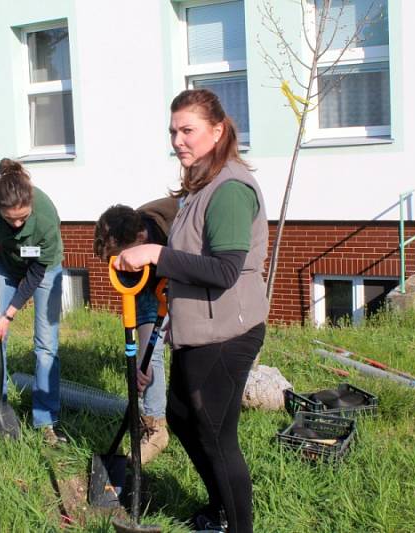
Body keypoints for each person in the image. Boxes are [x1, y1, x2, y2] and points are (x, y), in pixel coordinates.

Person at [114, 89, 269, 533]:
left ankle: (236, 524)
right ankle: (220, 507)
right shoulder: (200, 185)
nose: (178, 140)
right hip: (198, 327)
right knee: (182, 418)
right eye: (173, 131)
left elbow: (223, 270)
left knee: (218, 437)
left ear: (217, 131)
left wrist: (154, 255)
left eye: (188, 130)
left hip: (227, 332)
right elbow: (190, 263)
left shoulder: (230, 190)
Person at [0, 158, 65, 445]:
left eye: (23, 217)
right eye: (11, 219)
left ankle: (45, 420)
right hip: (6, 267)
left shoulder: (46, 218)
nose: (18, 223)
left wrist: (10, 313)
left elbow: (36, 273)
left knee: (46, 346)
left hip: (44, 271)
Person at [93, 196, 179, 464]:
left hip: (193, 275)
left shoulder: (176, 231)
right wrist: (144, 360)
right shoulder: (130, 254)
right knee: (149, 355)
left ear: (142, 238)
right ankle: (156, 427)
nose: (119, 267)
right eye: (113, 262)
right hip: (155, 282)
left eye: (121, 260)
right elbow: (144, 309)